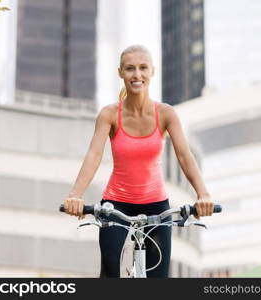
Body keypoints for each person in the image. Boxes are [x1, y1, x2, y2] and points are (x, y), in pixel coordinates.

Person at [63, 45, 214, 278]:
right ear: (120, 73)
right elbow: (94, 155)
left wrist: (203, 195)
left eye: (143, 68)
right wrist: (76, 194)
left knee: (158, 278)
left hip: (156, 206)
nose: (137, 75)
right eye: (130, 69)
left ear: (152, 71)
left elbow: (184, 155)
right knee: (110, 272)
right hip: (116, 204)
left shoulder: (165, 114)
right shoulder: (110, 115)